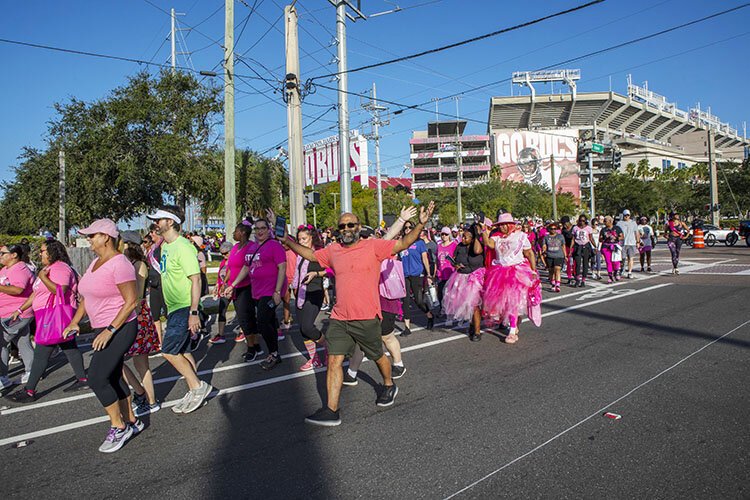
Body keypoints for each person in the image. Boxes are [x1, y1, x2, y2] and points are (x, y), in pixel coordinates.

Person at [283, 202, 435, 426]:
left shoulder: (373, 246)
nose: (345, 229)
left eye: (350, 225)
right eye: (342, 226)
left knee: (377, 356)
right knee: (334, 360)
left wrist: (420, 224)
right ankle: (331, 410)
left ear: (358, 227)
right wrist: (288, 242)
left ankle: (389, 384)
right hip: (339, 317)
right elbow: (312, 256)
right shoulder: (333, 250)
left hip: (366, 317)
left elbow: (403, 242)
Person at [62, 219, 141, 453]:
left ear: (106, 237)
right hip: (102, 327)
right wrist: (75, 322)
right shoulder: (96, 262)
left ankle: (118, 426)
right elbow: (87, 296)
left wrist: (110, 330)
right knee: (114, 376)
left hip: (120, 327)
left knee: (96, 377)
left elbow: (131, 302)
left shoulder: (120, 264)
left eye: (92, 235)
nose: (89, 239)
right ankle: (131, 422)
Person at [146, 207, 213, 414]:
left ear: (172, 222)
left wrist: (194, 312)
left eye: (160, 220)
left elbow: (196, 280)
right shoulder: (166, 246)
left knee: (168, 351)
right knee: (183, 351)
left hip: (185, 307)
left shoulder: (183, 247)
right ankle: (195, 388)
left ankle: (197, 387)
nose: (157, 223)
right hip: (174, 307)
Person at [5, 241, 86, 402]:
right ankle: (83, 380)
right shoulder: (50, 268)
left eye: (43, 251)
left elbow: (60, 290)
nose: (40, 253)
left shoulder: (60, 268)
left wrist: (42, 276)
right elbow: (36, 294)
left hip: (54, 314)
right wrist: (20, 310)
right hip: (48, 314)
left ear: (52, 252)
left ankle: (29, 391)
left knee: (41, 353)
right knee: (69, 346)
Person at [345, 207, 417, 384]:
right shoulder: (357, 254)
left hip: (385, 302)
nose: (361, 240)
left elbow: (386, 239)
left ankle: (398, 363)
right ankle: (351, 372)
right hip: (366, 304)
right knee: (361, 339)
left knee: (386, 336)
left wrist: (401, 220)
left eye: (364, 237)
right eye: (359, 237)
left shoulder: (381, 250)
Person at [224, 217, 287, 370]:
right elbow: (246, 268)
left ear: (268, 230)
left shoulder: (274, 245)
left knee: (262, 321)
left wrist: (278, 291)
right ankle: (275, 352)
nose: (259, 231)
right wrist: (232, 285)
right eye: (257, 229)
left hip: (271, 291)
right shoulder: (252, 248)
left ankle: (273, 353)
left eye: (263, 228)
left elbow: (282, 268)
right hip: (257, 291)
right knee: (269, 321)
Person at [481, 213, 541, 344]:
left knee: (513, 301)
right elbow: (488, 243)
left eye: (504, 224)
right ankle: (515, 323)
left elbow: (529, 253)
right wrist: (484, 230)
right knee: (504, 303)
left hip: (517, 272)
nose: (502, 227)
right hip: (499, 272)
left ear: (511, 225)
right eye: (500, 225)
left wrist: (533, 270)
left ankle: (512, 330)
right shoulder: (497, 238)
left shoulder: (521, 236)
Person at [120, 233, 161, 417]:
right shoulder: (127, 265)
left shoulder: (139, 266)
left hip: (137, 315)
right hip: (130, 314)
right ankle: (140, 392)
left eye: (123, 244)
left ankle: (150, 401)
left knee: (141, 363)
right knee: (118, 361)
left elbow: (135, 296)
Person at [289, 224, 327, 371]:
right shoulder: (300, 255)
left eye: (304, 239)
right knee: (303, 330)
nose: (301, 242)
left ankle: (328, 347)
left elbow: (330, 269)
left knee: (308, 326)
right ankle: (314, 359)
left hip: (314, 292)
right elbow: (287, 241)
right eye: (299, 240)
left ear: (312, 238)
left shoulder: (319, 253)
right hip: (301, 294)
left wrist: (316, 274)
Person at [0, 243, 35, 390]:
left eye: (3, 253)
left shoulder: (20, 269)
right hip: (9, 312)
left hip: (16, 314)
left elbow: (18, 289)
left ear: (14, 255)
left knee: (2, 342)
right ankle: (32, 371)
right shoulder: (6, 269)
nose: (0, 256)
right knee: (22, 341)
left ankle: (2, 377)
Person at [441, 224, 485, 341]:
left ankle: (477, 331)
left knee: (474, 304)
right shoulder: (459, 246)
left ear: (472, 238)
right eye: (462, 237)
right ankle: (472, 324)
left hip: (475, 278)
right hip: (461, 277)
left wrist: (476, 236)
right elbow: (454, 259)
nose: (463, 239)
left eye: (466, 237)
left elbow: (477, 251)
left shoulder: (477, 245)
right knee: (465, 304)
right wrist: (455, 264)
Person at [225, 221, 262, 360]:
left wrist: (234, 284)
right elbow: (231, 267)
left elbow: (248, 268)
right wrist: (225, 282)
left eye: (235, 231)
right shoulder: (235, 247)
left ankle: (251, 347)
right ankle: (256, 344)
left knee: (247, 318)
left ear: (242, 233)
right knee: (243, 318)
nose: (233, 234)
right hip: (235, 287)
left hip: (247, 287)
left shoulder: (251, 247)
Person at [399, 219, 435, 336]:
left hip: (417, 274)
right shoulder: (402, 242)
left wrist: (428, 274)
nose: (408, 229)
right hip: (405, 274)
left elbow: (425, 258)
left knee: (418, 301)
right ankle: (407, 328)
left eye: (410, 227)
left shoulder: (419, 243)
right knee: (405, 300)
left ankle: (429, 315)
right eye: (406, 228)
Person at [145, 223, 166, 345]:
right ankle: (159, 341)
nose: (150, 235)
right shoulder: (152, 248)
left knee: (168, 313)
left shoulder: (164, 246)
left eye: (152, 232)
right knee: (155, 314)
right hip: (154, 285)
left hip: (163, 284)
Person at [208, 241, 233, 344]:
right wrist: (217, 285)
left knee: (242, 311)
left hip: (233, 287)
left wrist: (229, 285)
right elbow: (220, 275)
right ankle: (221, 334)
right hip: (224, 289)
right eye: (222, 253)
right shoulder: (223, 262)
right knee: (222, 310)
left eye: (226, 253)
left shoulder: (235, 261)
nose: (224, 255)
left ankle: (244, 331)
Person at [435, 226, 458, 313]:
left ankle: (451, 309)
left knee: (450, 293)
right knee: (440, 293)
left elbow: (456, 259)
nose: (444, 236)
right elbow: (437, 260)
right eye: (442, 234)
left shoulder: (454, 245)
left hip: (450, 272)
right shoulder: (439, 246)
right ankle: (442, 309)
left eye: (446, 234)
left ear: (449, 235)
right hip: (441, 273)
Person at [571, 215, 596, 287]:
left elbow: (591, 238)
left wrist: (595, 247)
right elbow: (573, 239)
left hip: (586, 246)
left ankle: (583, 280)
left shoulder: (588, 228)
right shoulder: (575, 228)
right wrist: (570, 249)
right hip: (577, 246)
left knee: (585, 263)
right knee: (577, 264)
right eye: (580, 221)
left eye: (583, 221)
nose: (582, 222)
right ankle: (577, 279)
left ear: (585, 221)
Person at [599, 216, 624, 284]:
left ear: (610, 221)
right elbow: (600, 239)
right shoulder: (603, 230)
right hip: (606, 246)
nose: (604, 222)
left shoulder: (617, 228)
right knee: (608, 262)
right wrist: (605, 237)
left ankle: (615, 273)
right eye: (604, 221)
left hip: (615, 246)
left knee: (615, 262)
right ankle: (610, 276)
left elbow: (622, 236)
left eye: (605, 221)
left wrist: (616, 237)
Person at [616, 209, 640, 279]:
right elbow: (616, 232)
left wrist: (638, 241)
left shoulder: (633, 223)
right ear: (623, 215)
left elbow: (636, 233)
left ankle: (629, 272)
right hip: (622, 244)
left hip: (631, 243)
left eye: (628, 215)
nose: (626, 216)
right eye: (625, 215)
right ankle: (622, 269)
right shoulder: (619, 223)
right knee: (622, 258)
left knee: (631, 258)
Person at [542, 223, 566, 292]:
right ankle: (553, 284)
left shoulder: (560, 236)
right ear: (549, 229)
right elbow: (544, 245)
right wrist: (544, 251)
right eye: (551, 229)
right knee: (551, 271)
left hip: (559, 255)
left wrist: (565, 255)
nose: (553, 230)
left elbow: (563, 246)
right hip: (549, 255)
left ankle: (557, 285)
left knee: (557, 269)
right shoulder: (546, 237)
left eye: (555, 229)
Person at [560, 216, 575, 285]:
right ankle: (569, 277)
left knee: (574, 262)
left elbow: (574, 239)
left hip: (574, 246)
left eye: (565, 224)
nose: (564, 225)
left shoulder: (574, 228)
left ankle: (575, 275)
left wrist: (572, 248)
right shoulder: (563, 230)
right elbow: (563, 240)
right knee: (568, 261)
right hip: (566, 246)